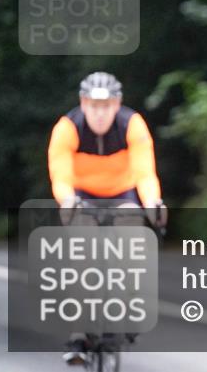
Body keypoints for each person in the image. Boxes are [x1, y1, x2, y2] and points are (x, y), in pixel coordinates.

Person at [47, 71, 166, 365]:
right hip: (82, 195)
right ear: (83, 103)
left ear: (117, 104)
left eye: (106, 106)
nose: (99, 114)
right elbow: (60, 173)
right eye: (93, 106)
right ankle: (79, 337)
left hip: (122, 193)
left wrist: (152, 202)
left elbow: (144, 171)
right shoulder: (67, 128)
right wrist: (67, 201)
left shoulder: (132, 124)